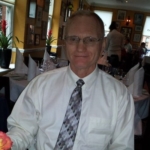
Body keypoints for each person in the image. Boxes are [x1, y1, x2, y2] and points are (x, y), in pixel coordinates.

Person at [0, 10, 134, 150]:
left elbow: (122, 146)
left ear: (103, 45)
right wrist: (6, 144)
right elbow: (22, 130)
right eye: (73, 39)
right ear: (65, 43)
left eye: (90, 39)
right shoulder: (41, 85)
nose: (80, 47)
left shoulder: (119, 96)